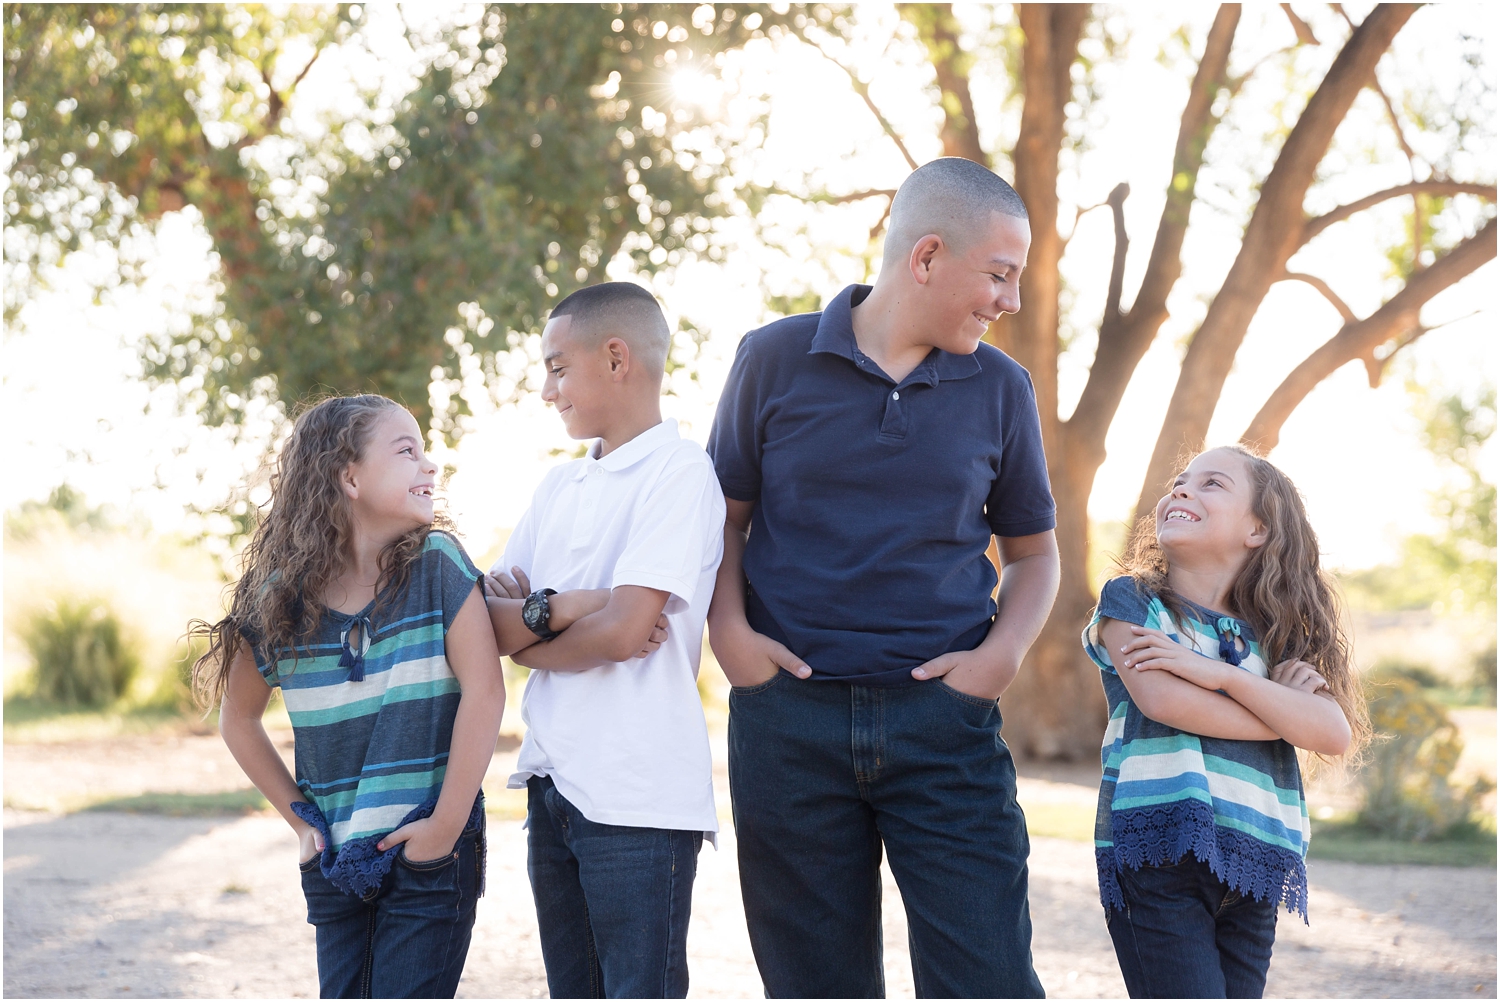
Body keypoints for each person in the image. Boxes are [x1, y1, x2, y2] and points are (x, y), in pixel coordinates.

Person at [705, 157, 1058, 998]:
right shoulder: (773, 358)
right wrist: (731, 638)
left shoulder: (1002, 388)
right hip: (788, 724)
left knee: (990, 979)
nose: (1010, 301)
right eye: (1000, 275)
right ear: (927, 256)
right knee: (814, 986)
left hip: (945, 726)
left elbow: (1035, 555)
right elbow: (722, 519)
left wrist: (999, 658)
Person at [193, 393, 608, 999]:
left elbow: (484, 691)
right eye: (406, 451)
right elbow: (240, 718)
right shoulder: (278, 597)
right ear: (350, 476)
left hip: (430, 850)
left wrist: (444, 825)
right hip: (334, 857)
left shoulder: (437, 566)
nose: (430, 466)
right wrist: (300, 821)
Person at [487, 282, 725, 999]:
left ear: (616, 358)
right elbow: (482, 626)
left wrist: (534, 629)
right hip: (553, 784)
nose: (545, 389)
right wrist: (570, 608)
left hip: (638, 797)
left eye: (557, 367)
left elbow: (627, 634)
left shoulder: (678, 473)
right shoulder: (558, 487)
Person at [1083, 444, 1368, 999]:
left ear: (1257, 529)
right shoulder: (1135, 602)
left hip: (1256, 857)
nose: (1182, 490)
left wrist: (1224, 677)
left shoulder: (1281, 634)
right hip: (1162, 846)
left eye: (1211, 483)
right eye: (1180, 481)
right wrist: (1281, 712)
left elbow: (1332, 734)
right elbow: (1165, 701)